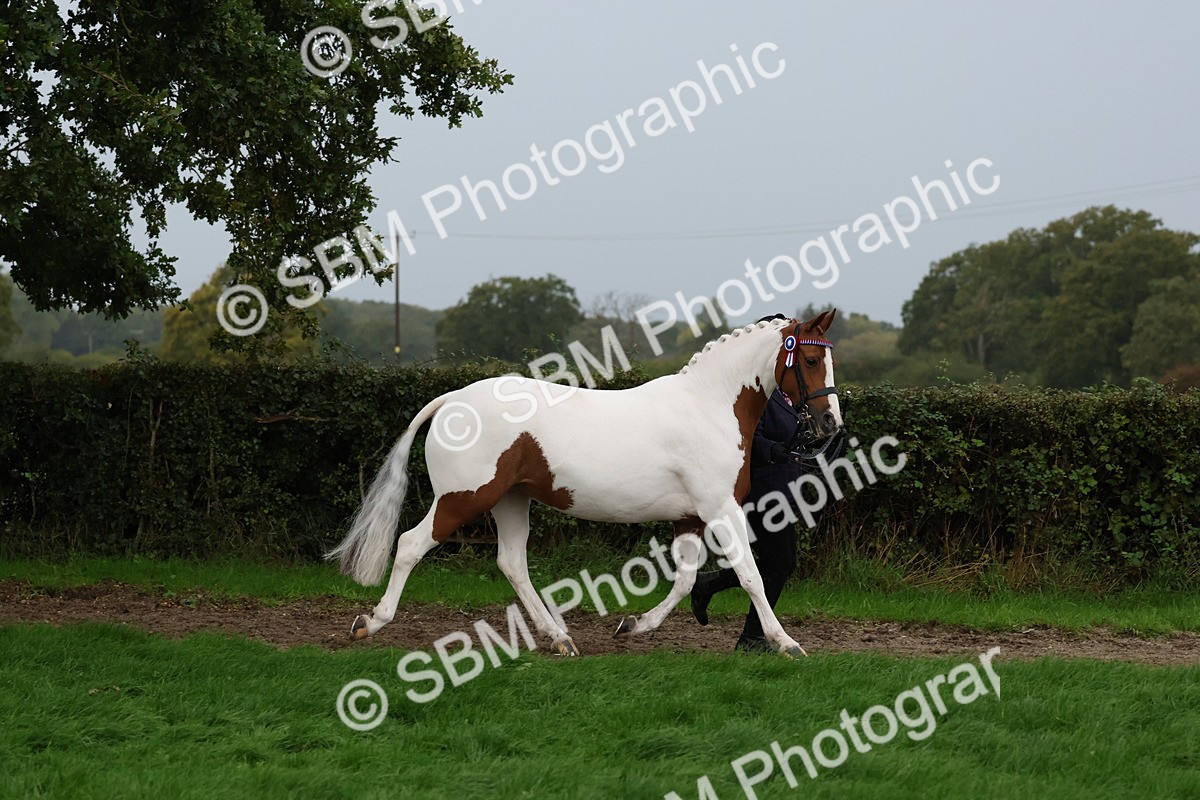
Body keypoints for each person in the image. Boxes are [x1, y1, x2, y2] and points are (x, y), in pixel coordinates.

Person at [689, 313, 818, 652]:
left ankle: (710, 585)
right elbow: (748, 438)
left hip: (783, 485)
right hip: (760, 488)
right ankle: (751, 638)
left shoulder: (786, 392)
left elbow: (789, 435)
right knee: (782, 562)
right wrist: (774, 450)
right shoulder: (755, 393)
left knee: (774, 561)